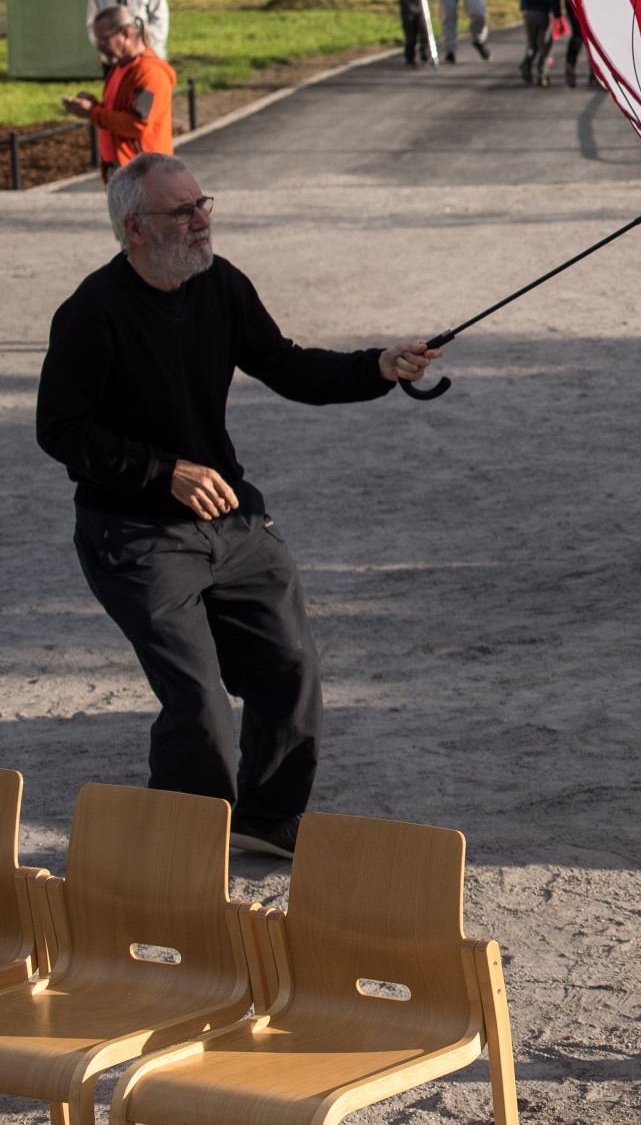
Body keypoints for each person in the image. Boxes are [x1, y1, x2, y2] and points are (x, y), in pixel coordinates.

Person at [34, 152, 442, 858]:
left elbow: (285, 364)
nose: (202, 220)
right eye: (182, 211)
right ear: (134, 229)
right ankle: (181, 852)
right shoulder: (93, 311)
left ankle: (266, 819)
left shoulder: (220, 283)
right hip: (134, 534)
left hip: (232, 519)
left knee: (291, 670)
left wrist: (377, 365)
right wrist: (163, 473)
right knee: (199, 706)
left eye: (204, 203)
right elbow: (60, 430)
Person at [63, 6, 177, 175]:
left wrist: (93, 112)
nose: (100, 46)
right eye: (97, 40)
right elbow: (116, 112)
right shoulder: (119, 68)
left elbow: (138, 124)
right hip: (124, 168)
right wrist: (93, 105)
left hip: (146, 173)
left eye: (104, 39)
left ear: (125, 33)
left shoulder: (150, 73)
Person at [511, 0, 563, 87]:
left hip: (528, 13)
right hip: (542, 14)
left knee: (532, 43)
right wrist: (558, 16)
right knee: (545, 44)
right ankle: (542, 73)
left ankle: (527, 62)